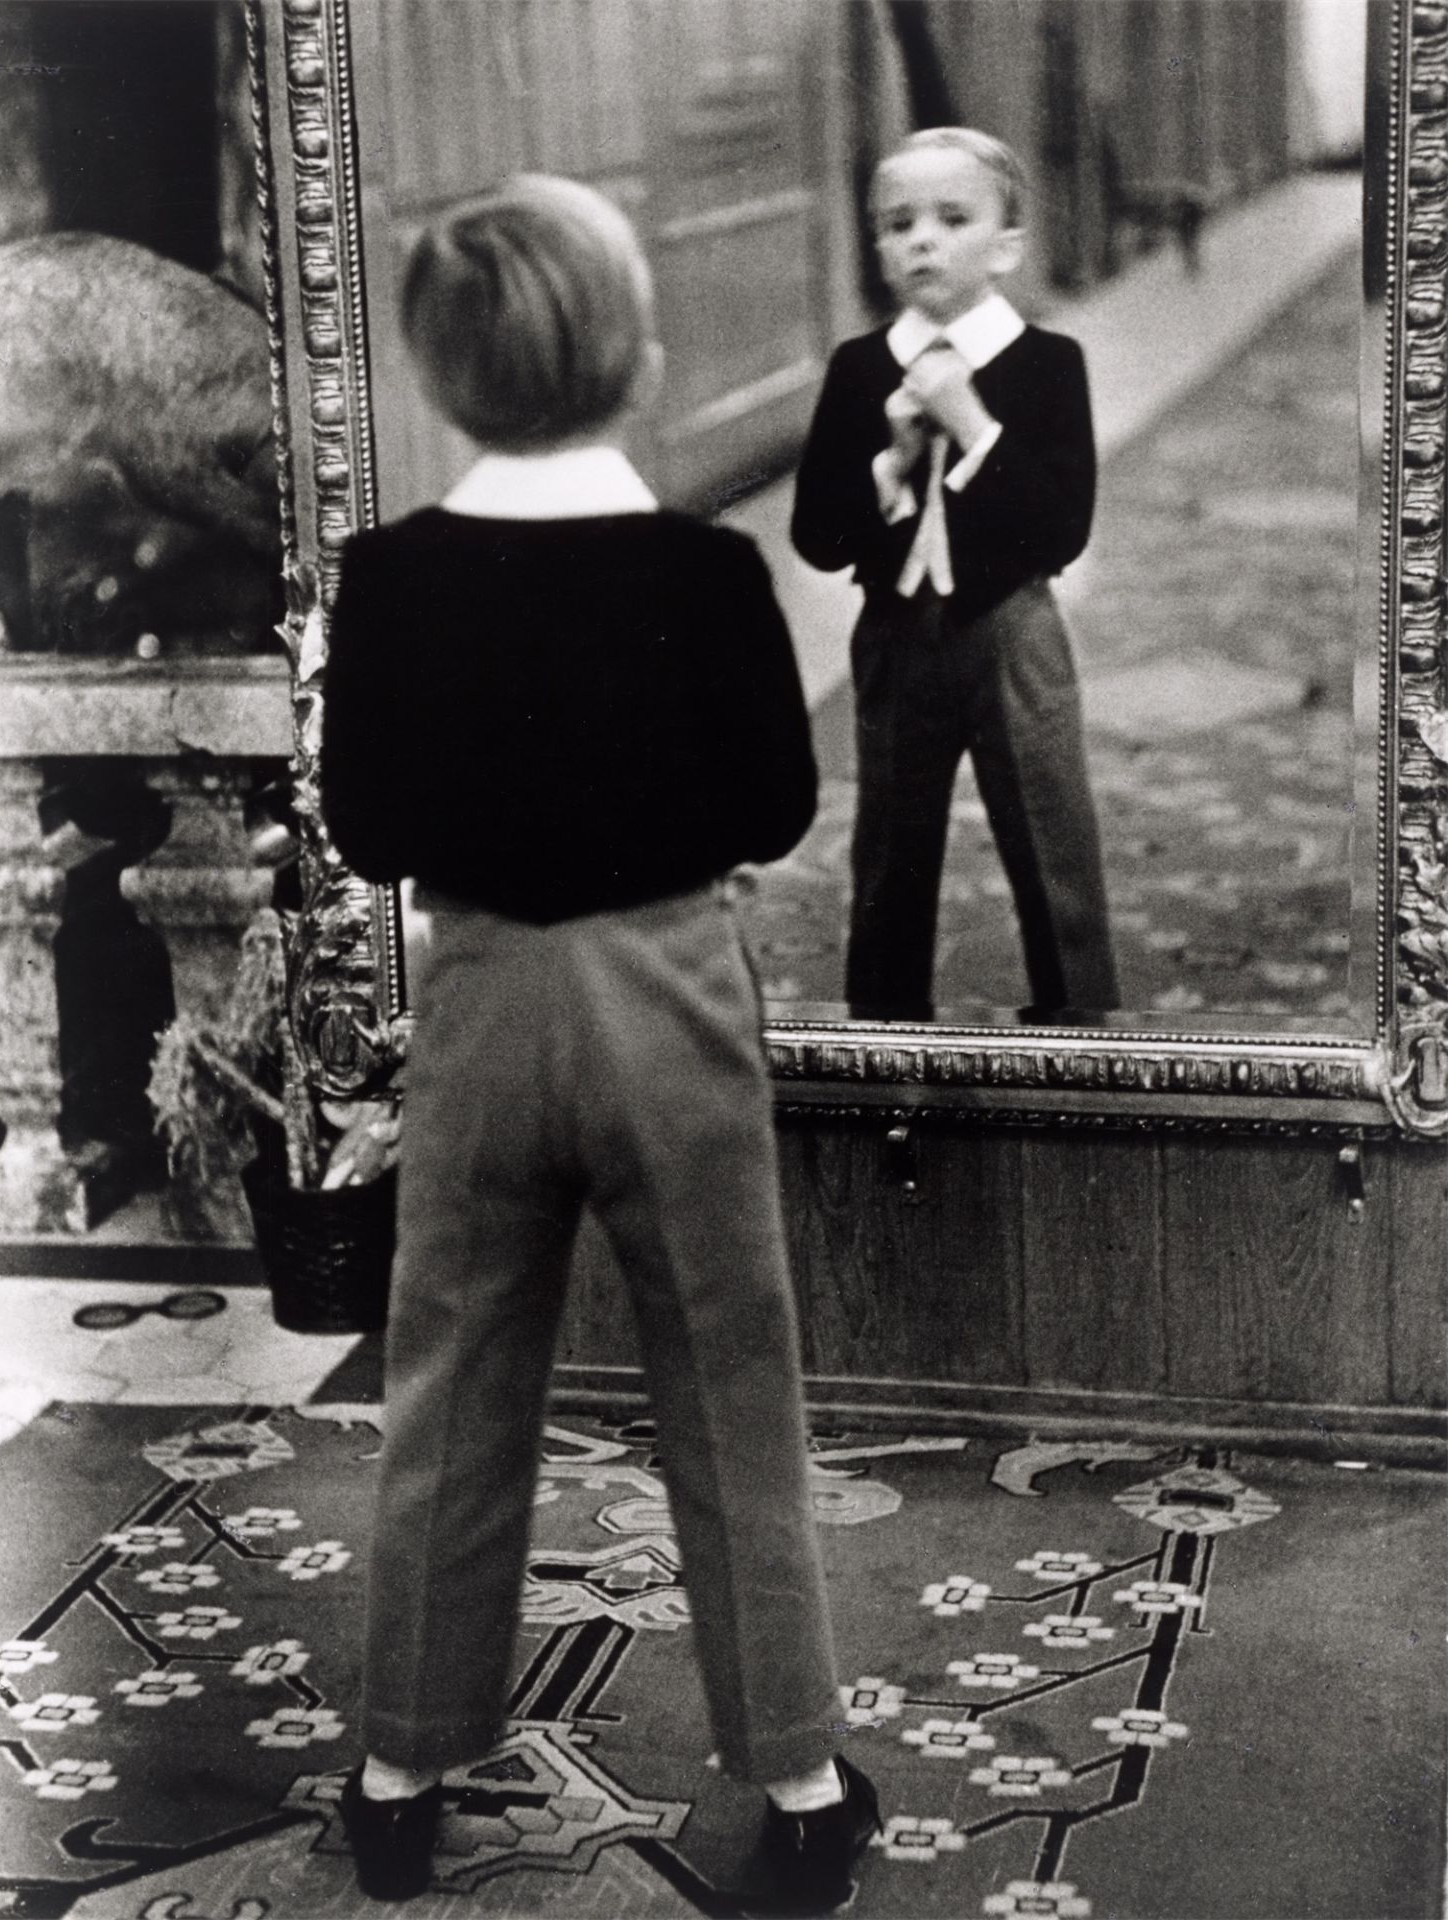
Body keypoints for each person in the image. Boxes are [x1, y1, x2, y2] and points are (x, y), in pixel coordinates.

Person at [319, 174, 879, 1913]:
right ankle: (792, 1770)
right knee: (729, 1386)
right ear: (634, 357)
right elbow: (776, 809)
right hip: (670, 997)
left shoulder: (392, 577)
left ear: (437, 374)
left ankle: (400, 1766)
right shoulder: (704, 570)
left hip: (479, 998)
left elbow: (365, 824)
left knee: (453, 1382)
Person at [791, 127, 1119, 1024]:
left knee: (1051, 839)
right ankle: (886, 1025)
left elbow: (1061, 531)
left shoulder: (1050, 365)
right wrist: (888, 468)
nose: (920, 240)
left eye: (950, 218)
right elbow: (816, 537)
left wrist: (974, 427)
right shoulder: (859, 371)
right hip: (895, 640)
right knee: (888, 849)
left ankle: (1078, 1021)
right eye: (896, 224)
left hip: (1013, 633)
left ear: (1006, 246)